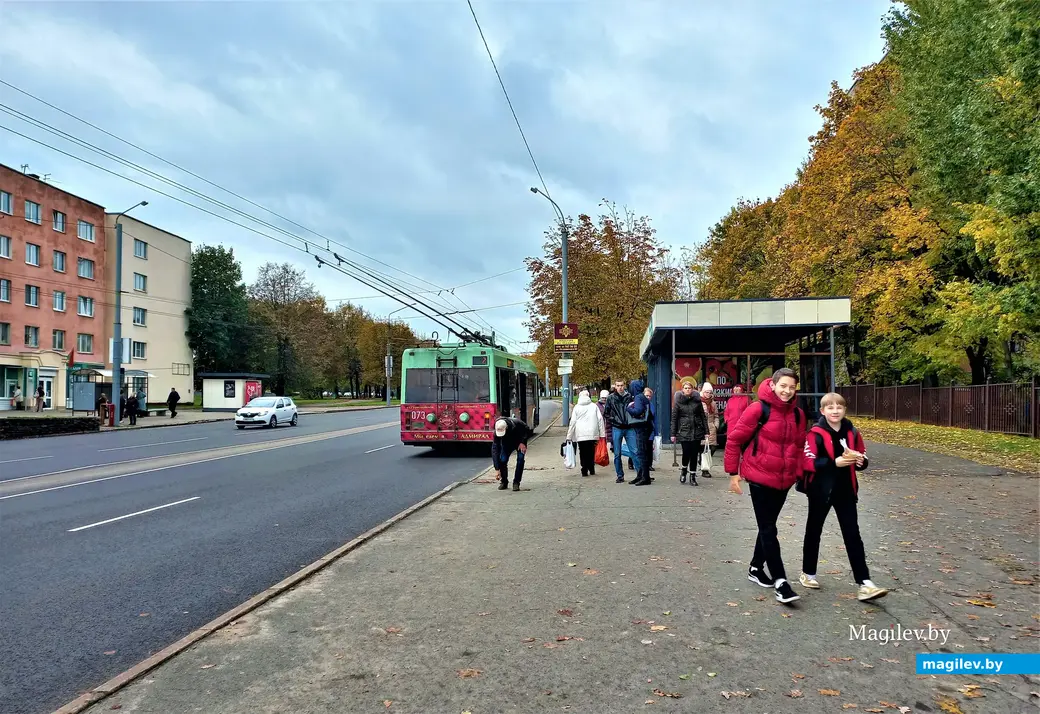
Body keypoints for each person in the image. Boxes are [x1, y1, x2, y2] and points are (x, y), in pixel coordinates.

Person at [724, 368, 809, 604]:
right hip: (759, 478)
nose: (787, 391)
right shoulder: (758, 409)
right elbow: (734, 439)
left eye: (792, 387)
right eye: (783, 386)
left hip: (784, 481)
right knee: (769, 529)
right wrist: (733, 473)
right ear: (772, 385)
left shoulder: (799, 415)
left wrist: (799, 474)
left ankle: (754, 567)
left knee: (766, 527)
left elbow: (800, 447)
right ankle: (781, 582)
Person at [800, 392, 889, 602]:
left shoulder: (852, 431)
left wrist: (861, 462)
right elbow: (808, 462)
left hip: (846, 490)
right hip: (821, 491)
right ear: (822, 411)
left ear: (844, 410)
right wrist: (834, 463)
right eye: (830, 408)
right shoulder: (815, 433)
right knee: (814, 531)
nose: (835, 411)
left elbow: (862, 454)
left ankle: (864, 582)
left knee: (852, 534)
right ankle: (808, 572)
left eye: (839, 407)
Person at [670, 381, 709, 485]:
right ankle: (683, 470)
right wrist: (673, 434)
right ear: (682, 390)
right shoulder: (678, 402)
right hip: (684, 431)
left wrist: (706, 432)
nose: (687, 390)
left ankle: (692, 475)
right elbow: (674, 419)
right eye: (686, 388)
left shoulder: (697, 401)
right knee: (686, 452)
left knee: (694, 454)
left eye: (689, 388)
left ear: (692, 390)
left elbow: (703, 417)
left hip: (696, 430)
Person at [605, 379, 642, 484]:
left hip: (629, 427)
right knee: (617, 453)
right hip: (617, 427)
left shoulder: (629, 397)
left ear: (624, 385)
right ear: (615, 386)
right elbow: (606, 413)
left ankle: (640, 474)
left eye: (621, 385)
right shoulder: (611, 398)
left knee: (634, 451)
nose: (620, 387)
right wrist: (614, 420)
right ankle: (620, 475)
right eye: (618, 385)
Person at [566, 390, 605, 477]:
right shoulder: (594, 406)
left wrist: (569, 436)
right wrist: (602, 434)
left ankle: (584, 469)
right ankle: (591, 468)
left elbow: (572, 422)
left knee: (582, 451)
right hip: (592, 433)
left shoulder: (577, 407)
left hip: (580, 434)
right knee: (591, 451)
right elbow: (600, 420)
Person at [492, 417, 535, 491]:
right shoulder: (496, 431)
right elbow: (495, 450)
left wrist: (522, 442)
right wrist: (497, 468)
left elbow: (527, 430)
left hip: (519, 442)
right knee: (503, 460)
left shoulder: (517, 424)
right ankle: (504, 482)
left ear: (507, 428)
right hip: (507, 443)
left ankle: (516, 482)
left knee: (520, 460)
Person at [626, 380, 653, 486]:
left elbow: (638, 411)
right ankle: (641, 476)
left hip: (641, 428)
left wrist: (628, 409)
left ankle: (645, 478)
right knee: (643, 453)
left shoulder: (638, 397)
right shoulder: (642, 397)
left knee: (641, 453)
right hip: (645, 427)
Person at [700, 382, 719, 478]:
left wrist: (716, 426)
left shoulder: (713, 403)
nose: (708, 394)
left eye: (710, 392)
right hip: (702, 428)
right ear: (703, 392)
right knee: (702, 449)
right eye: (706, 392)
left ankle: (704, 465)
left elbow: (716, 416)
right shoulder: (699, 402)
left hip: (711, 428)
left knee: (712, 448)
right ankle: (704, 469)